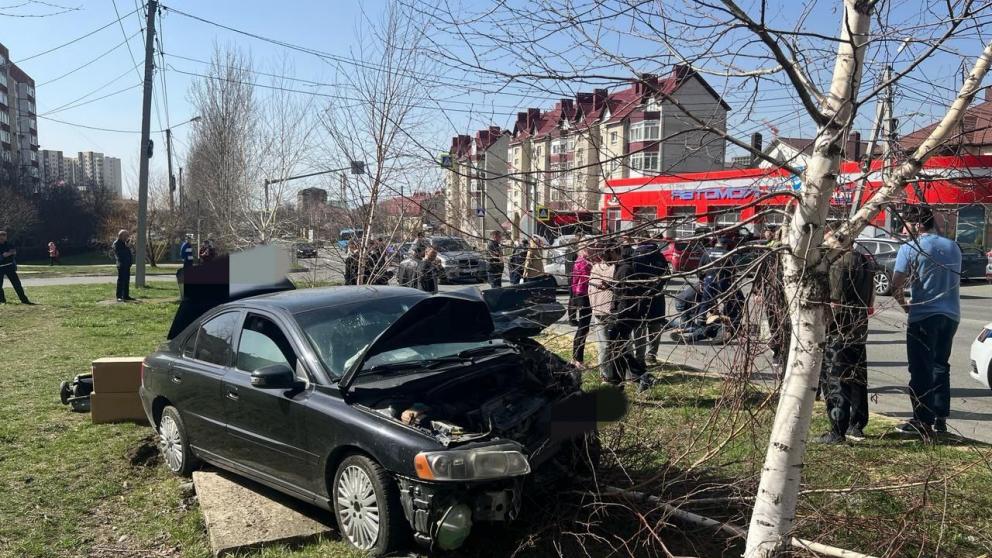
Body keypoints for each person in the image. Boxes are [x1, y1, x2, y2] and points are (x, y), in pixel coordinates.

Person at [892, 206, 961, 437]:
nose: (903, 230)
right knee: (940, 366)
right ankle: (940, 417)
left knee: (921, 368)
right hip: (951, 314)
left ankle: (922, 420)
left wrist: (905, 307)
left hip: (924, 315)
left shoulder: (910, 247)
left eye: (906, 224)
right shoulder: (953, 246)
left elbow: (895, 285)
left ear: (917, 224)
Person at [814, 228, 875, 444]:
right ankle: (856, 424)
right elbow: (871, 299)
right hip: (859, 326)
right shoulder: (865, 261)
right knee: (858, 377)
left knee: (837, 378)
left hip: (841, 328)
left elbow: (835, 301)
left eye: (828, 240)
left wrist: (825, 326)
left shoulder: (838, 264)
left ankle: (837, 429)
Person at [605, 243, 650, 390]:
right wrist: (610, 286)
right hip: (623, 314)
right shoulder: (623, 268)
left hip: (624, 316)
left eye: (607, 253)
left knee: (618, 348)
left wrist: (617, 317)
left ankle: (641, 376)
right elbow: (623, 290)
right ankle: (619, 381)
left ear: (614, 252)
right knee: (618, 349)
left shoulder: (625, 269)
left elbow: (626, 297)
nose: (604, 257)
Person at [632, 235, 670, 366]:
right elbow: (667, 275)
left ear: (639, 240)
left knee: (639, 327)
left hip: (640, 296)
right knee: (655, 326)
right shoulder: (659, 255)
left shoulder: (635, 256)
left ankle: (639, 357)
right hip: (657, 296)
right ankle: (652, 355)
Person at [588, 245, 616, 381]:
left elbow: (590, 289)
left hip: (601, 310)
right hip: (609, 310)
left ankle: (607, 374)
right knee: (615, 343)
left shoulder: (595, 268)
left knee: (604, 344)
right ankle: (611, 374)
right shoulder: (615, 269)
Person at [570, 245, 593, 367]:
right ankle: (578, 359)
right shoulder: (583, 262)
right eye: (590, 248)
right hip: (583, 295)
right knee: (583, 327)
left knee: (583, 327)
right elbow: (581, 280)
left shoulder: (582, 261)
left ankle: (576, 358)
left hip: (581, 294)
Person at [0, 230, 33, 305]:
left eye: (4, 238)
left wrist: (8, 254)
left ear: (6, 237)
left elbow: (13, 252)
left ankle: (24, 300)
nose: (2, 240)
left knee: (17, 284)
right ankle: (2, 300)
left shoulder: (9, 244)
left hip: (9, 267)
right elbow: (5, 255)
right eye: (1, 239)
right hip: (0, 267)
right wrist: (3, 255)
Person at [113, 229, 134, 302]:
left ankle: (126, 295)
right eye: (126, 236)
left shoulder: (125, 243)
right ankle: (119, 296)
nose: (127, 237)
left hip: (127, 264)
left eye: (127, 236)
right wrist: (126, 246)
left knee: (126, 280)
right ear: (121, 236)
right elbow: (120, 254)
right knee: (121, 280)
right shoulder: (117, 243)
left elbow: (128, 252)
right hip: (121, 264)